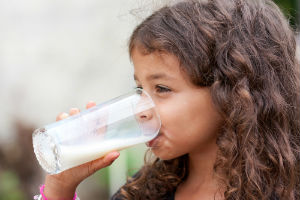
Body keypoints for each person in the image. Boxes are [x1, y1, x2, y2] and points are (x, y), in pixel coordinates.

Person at [34, 0, 300, 199]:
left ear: (233, 93)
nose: (141, 110)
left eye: (161, 88)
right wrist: (61, 187)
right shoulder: (145, 190)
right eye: (139, 88)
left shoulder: (286, 191)